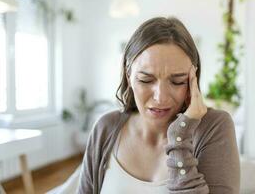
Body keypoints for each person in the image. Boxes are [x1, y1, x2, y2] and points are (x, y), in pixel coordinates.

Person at [77, 17, 240, 194]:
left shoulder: (214, 126)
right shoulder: (106, 128)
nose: (160, 97)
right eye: (146, 80)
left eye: (177, 81)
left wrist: (180, 136)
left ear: (193, 79)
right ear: (128, 76)